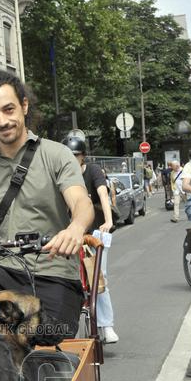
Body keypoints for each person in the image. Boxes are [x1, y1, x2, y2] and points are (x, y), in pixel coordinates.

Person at [0, 70, 93, 343]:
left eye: (8, 109)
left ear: (24, 106)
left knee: (43, 337)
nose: (2, 121)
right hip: (2, 266)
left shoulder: (56, 154)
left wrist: (75, 228)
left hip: (55, 270)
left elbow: (81, 202)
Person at [64, 137, 118, 344]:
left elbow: (103, 194)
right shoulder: (62, 175)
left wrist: (108, 220)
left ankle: (107, 325)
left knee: (99, 276)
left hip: (94, 233)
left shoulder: (92, 171)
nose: (71, 159)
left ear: (83, 156)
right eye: (68, 156)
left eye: (75, 156)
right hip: (69, 234)